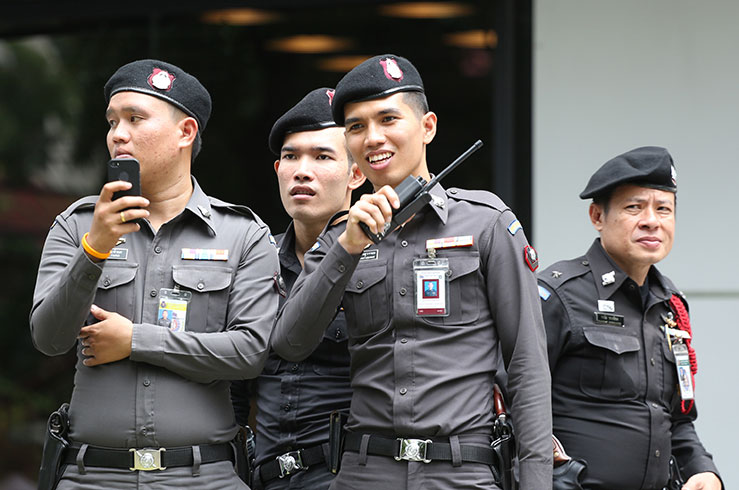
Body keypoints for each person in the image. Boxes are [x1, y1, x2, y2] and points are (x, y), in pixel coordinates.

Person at [271, 54, 552, 490]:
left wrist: (535, 483)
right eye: (356, 126)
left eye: (388, 119)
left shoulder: (486, 222)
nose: (373, 137)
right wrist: (347, 248)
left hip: (462, 471)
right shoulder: (340, 237)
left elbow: (527, 364)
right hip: (365, 471)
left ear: (427, 127)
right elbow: (290, 342)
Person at [30, 59, 279, 489]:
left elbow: (250, 352)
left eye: (134, 118)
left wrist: (135, 341)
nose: (117, 134)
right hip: (92, 477)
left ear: (185, 133)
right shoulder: (78, 225)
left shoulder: (242, 233)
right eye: (112, 122)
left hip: (205, 477)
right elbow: (49, 338)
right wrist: (95, 248)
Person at [538, 147, 722, 490]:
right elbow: (508, 398)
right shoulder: (557, 294)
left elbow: (678, 418)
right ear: (597, 216)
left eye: (663, 209)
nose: (652, 220)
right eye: (634, 207)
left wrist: (702, 470)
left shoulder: (671, 307)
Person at [230, 87, 365, 489]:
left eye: (322, 156)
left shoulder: (383, 257)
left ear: (356, 174)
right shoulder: (256, 258)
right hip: (263, 477)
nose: (301, 170)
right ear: (277, 170)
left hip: (349, 476)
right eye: (291, 157)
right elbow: (235, 389)